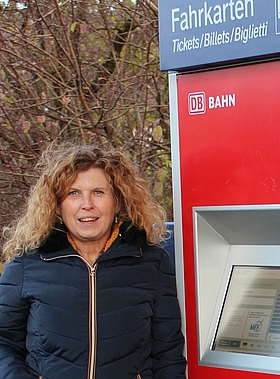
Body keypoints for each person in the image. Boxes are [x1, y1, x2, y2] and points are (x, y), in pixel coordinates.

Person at [0, 144, 187, 379]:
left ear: (118, 201)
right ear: (57, 205)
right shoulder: (27, 263)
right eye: (73, 193)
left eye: (98, 192)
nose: (86, 204)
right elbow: (3, 342)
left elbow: (168, 354)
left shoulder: (152, 262)